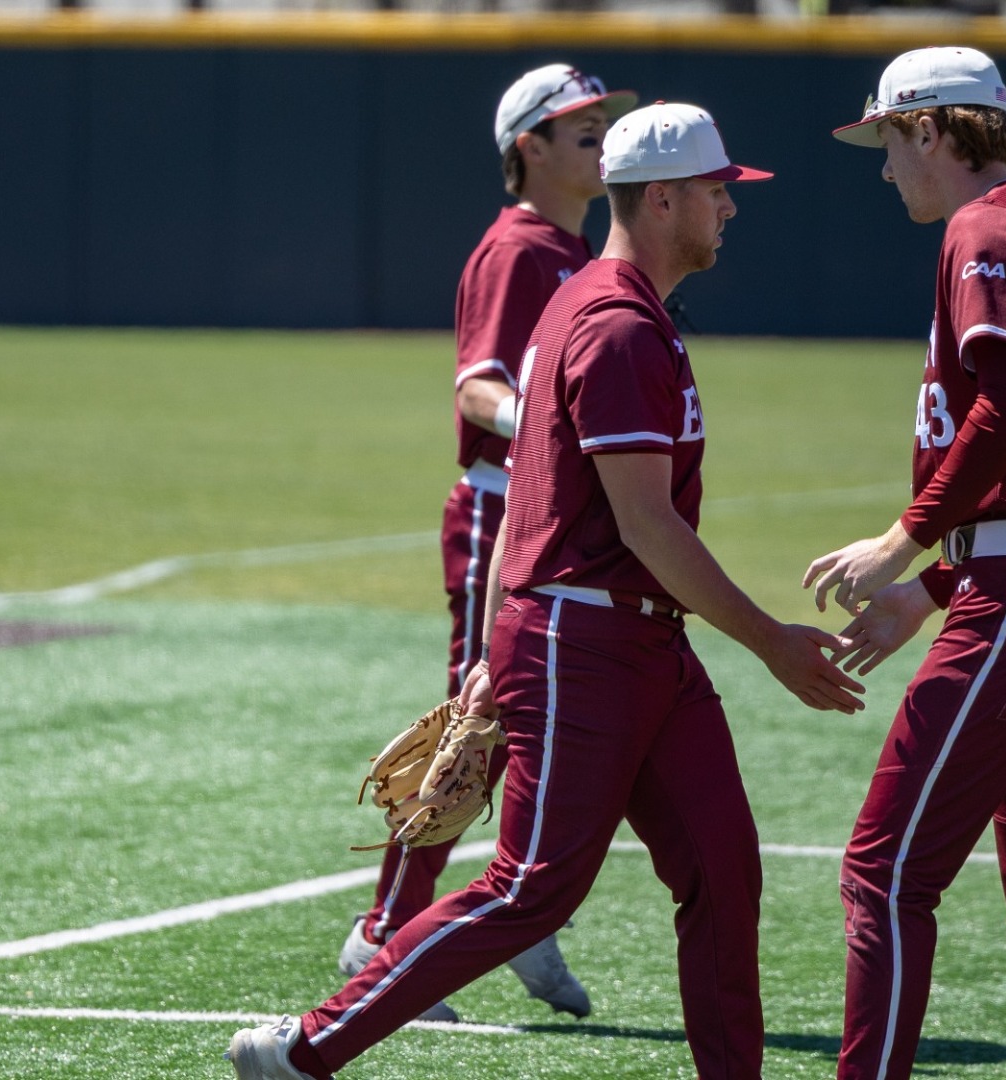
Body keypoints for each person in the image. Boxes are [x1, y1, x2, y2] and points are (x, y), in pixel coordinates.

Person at [227, 101, 866, 1080]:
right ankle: (305, 1047)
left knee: (722, 869)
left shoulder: (613, 307)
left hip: (636, 642)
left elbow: (538, 495)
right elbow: (649, 526)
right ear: (662, 201)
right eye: (716, 191)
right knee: (533, 887)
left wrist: (489, 648)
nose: (731, 209)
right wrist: (769, 640)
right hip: (585, 642)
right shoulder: (611, 325)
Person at [807, 46, 1006, 1080]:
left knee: (884, 873)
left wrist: (904, 541)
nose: (885, 168)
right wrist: (935, 588)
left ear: (933, 132)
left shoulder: (984, 228)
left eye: (890, 142)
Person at [336, 62, 635, 1023]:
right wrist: (560, 419)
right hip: (509, 509)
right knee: (475, 726)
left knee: (535, 722)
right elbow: (477, 390)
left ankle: (517, 907)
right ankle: (387, 932)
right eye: (575, 123)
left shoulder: (586, 254)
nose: (596, 131)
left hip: (563, 516)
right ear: (528, 148)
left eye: (601, 119)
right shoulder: (518, 249)